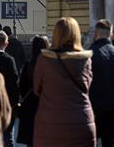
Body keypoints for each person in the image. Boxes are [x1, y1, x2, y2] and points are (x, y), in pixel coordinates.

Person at [34, 17, 96, 147]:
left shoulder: (44, 59)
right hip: (81, 121)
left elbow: (37, 89)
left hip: (50, 123)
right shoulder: (85, 60)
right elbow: (87, 87)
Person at [89, 19, 114, 147]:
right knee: (110, 141)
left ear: (96, 33)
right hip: (113, 106)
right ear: (111, 35)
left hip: (94, 107)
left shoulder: (90, 53)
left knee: (91, 141)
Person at [16, 36, 49, 147]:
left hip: (30, 109)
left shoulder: (28, 65)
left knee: (31, 142)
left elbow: (21, 87)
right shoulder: (50, 66)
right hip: (46, 107)